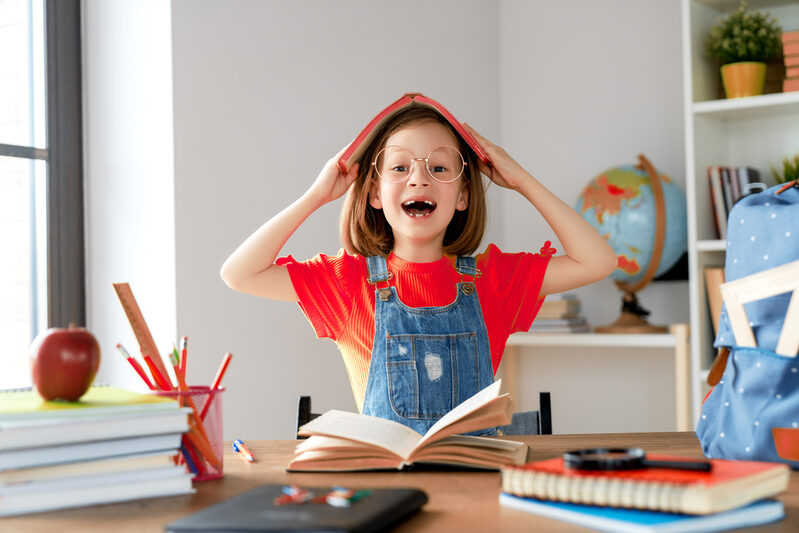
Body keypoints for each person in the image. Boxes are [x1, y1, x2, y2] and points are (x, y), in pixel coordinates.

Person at [220, 96, 616, 435]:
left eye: (440, 168)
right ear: (374, 193)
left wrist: (522, 179)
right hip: (388, 490)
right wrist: (315, 196)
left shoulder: (493, 280)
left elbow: (597, 261)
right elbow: (239, 273)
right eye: (399, 167)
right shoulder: (347, 282)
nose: (419, 179)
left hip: (476, 491)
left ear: (463, 195)